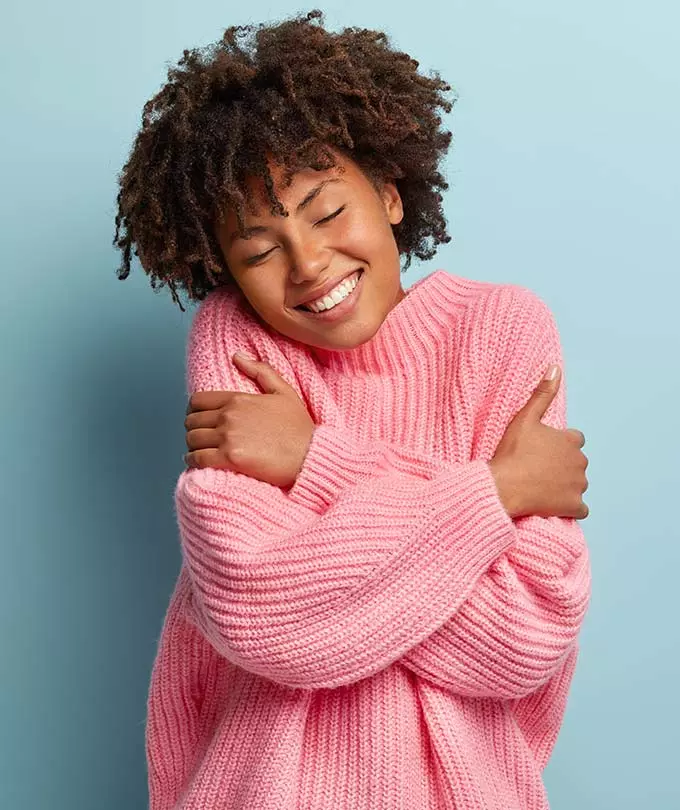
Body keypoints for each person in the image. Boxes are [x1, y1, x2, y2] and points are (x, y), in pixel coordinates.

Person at [113, 10, 591, 809]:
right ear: (224, 268)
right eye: (260, 250)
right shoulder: (238, 342)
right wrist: (493, 495)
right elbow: (259, 608)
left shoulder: (504, 330)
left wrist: (314, 462)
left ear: (392, 195)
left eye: (328, 213)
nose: (309, 266)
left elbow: (524, 635)